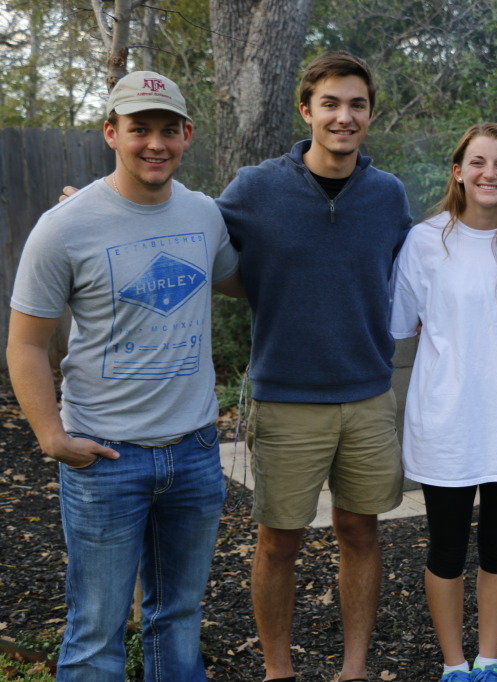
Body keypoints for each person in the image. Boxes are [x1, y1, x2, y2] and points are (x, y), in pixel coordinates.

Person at [7, 71, 242, 680]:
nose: (154, 144)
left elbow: (242, 281)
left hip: (193, 452)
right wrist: (51, 437)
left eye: (168, 129)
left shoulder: (204, 215)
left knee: (179, 617)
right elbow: (27, 344)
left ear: (187, 135)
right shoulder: (65, 226)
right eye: (139, 129)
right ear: (112, 133)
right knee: (96, 628)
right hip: (106, 458)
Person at [216, 52, 411, 682]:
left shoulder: (387, 196)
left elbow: (415, 268)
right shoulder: (255, 188)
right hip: (286, 396)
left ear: (370, 115)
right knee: (280, 541)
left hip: (367, 394)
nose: (344, 116)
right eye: (330, 103)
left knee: (360, 533)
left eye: (356, 104)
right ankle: (279, 672)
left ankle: (354, 669)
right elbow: (196, 244)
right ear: (307, 110)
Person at [389, 122, 497, 682]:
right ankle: (454, 666)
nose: (490, 173)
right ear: (458, 171)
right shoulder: (425, 240)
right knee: (447, 546)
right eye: (478, 162)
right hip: (445, 420)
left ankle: (488, 660)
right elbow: (401, 324)